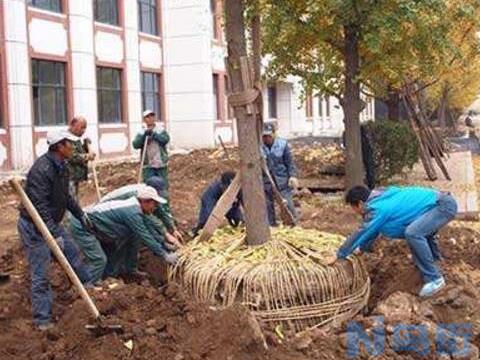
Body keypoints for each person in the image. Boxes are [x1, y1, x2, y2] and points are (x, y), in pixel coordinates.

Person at [17, 130, 94, 331]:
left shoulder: (62, 166)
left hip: (50, 223)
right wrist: (52, 234)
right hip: (35, 227)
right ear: (59, 146)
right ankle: (42, 320)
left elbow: (65, 197)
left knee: (73, 253)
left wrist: (80, 214)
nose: (73, 147)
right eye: (70, 144)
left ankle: (90, 289)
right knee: (41, 273)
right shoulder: (41, 170)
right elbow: (39, 207)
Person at [330, 185, 458, 298]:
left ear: (360, 203)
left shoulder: (378, 208)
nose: (355, 212)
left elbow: (363, 230)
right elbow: (373, 231)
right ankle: (435, 262)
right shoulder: (380, 197)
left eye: (353, 208)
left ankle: (435, 279)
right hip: (436, 205)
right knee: (418, 230)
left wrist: (340, 254)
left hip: (442, 206)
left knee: (413, 233)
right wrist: (362, 249)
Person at [70, 186, 178, 283]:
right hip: (83, 225)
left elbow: (149, 227)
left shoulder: (136, 208)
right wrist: (164, 255)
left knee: (114, 251)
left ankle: (108, 278)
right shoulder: (132, 212)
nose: (154, 208)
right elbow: (145, 236)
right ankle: (88, 285)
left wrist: (163, 242)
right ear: (145, 202)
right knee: (99, 260)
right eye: (154, 205)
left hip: (100, 227)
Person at [100, 176, 183, 245]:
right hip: (106, 212)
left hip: (120, 212)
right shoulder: (138, 196)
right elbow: (147, 217)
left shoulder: (148, 195)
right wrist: (166, 235)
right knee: (132, 234)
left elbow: (161, 211)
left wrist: (173, 229)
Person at [261, 123, 298, 226]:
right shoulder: (259, 147)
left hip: (282, 181)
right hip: (266, 182)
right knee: (268, 207)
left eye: (269, 136)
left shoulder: (282, 145)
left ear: (274, 134)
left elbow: (290, 162)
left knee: (288, 205)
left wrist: (292, 176)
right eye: (264, 136)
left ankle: (293, 225)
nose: (266, 139)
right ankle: (271, 226)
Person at [192, 171, 243, 237]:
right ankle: (196, 234)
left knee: (239, 221)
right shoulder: (211, 192)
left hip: (232, 206)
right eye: (227, 189)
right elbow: (210, 213)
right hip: (213, 205)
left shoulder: (237, 189)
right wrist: (220, 221)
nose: (229, 192)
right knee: (206, 222)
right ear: (222, 185)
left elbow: (246, 205)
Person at [132, 110, 170, 186]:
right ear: (144, 119)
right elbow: (135, 145)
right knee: (149, 186)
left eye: (152, 116)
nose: (150, 118)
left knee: (162, 185)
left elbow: (165, 140)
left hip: (160, 163)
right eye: (148, 117)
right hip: (148, 165)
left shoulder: (160, 130)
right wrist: (144, 136)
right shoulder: (142, 132)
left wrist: (154, 135)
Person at [67, 116, 95, 201]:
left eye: (85, 128)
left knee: (74, 199)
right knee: (70, 201)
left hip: (74, 176)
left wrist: (86, 146)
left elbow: (79, 152)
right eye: (81, 127)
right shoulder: (66, 139)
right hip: (68, 176)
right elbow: (72, 156)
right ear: (73, 125)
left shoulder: (75, 138)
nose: (83, 131)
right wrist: (87, 156)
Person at [342, 123, 376, 189]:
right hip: (364, 152)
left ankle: (370, 184)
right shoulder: (360, 132)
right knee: (369, 169)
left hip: (363, 152)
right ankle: (371, 184)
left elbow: (345, 144)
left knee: (368, 169)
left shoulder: (349, 132)